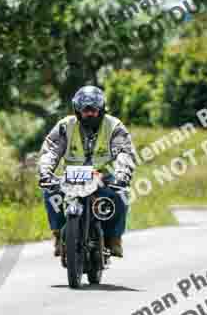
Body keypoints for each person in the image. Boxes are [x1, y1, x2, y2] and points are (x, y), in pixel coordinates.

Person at [37, 85, 136, 259]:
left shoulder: (114, 126)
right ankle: (60, 235)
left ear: (102, 109)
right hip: (72, 177)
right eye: (85, 110)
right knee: (50, 192)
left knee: (122, 195)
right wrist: (45, 172)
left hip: (104, 177)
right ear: (77, 111)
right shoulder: (65, 126)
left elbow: (124, 153)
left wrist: (122, 176)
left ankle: (114, 238)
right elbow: (51, 151)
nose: (89, 114)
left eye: (94, 110)